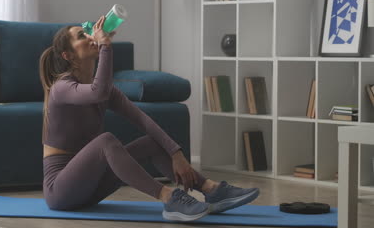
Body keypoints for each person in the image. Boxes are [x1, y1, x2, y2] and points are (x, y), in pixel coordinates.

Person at [38, 15, 259, 222]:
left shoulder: (108, 92)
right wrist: (105, 45)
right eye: (80, 36)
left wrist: (176, 152)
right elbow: (98, 92)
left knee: (151, 142)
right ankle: (168, 198)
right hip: (61, 192)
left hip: (91, 187)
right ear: (67, 55)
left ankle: (212, 190)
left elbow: (142, 120)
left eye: (88, 32)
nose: (89, 36)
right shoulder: (62, 88)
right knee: (106, 141)